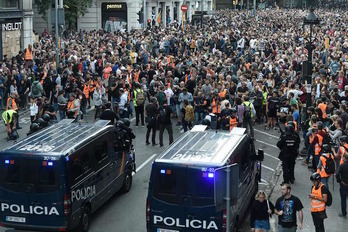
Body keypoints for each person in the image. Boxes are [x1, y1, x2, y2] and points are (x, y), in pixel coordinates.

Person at [336, 152, 348, 218]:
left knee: (343, 199)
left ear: (344, 158)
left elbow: (337, 174)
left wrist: (339, 181)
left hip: (344, 184)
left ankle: (344, 213)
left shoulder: (342, 166)